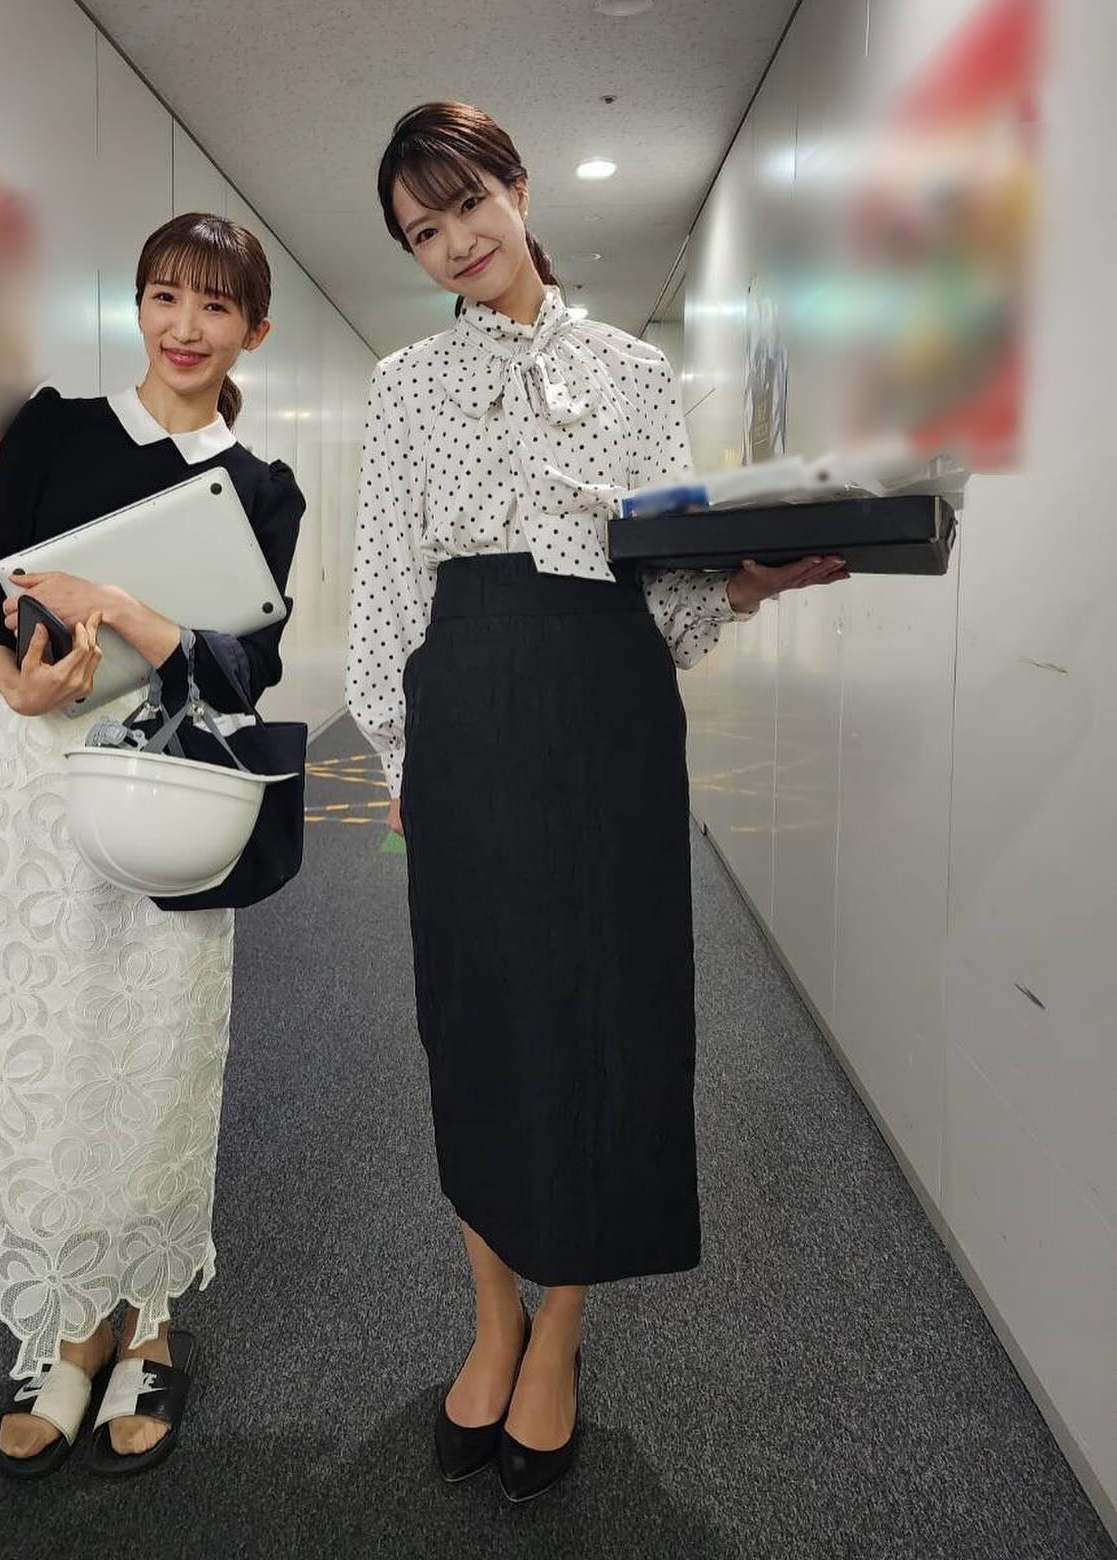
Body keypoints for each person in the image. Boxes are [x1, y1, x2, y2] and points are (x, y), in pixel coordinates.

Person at [345, 102, 847, 1503]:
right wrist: (396, 759)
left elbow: (670, 598)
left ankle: (561, 1323)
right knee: (477, 1013)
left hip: (611, 713)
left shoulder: (633, 370)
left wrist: (748, 585)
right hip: (468, 709)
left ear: (520, 187)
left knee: (603, 1008)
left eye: (467, 205)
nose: (455, 242)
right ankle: (491, 1313)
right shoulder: (403, 385)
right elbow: (383, 589)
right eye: (422, 231)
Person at [0, 212, 304, 1479]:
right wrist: (14, 681)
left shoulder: (260, 489)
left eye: (215, 306)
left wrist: (127, 613)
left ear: (254, 329)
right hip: (34, 784)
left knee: (153, 1051)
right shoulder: (53, 429)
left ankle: (147, 1320)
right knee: (43, 1056)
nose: (184, 328)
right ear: (137, 306)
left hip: (169, 787)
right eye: (163, 298)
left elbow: (248, 666)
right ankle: (66, 1325)